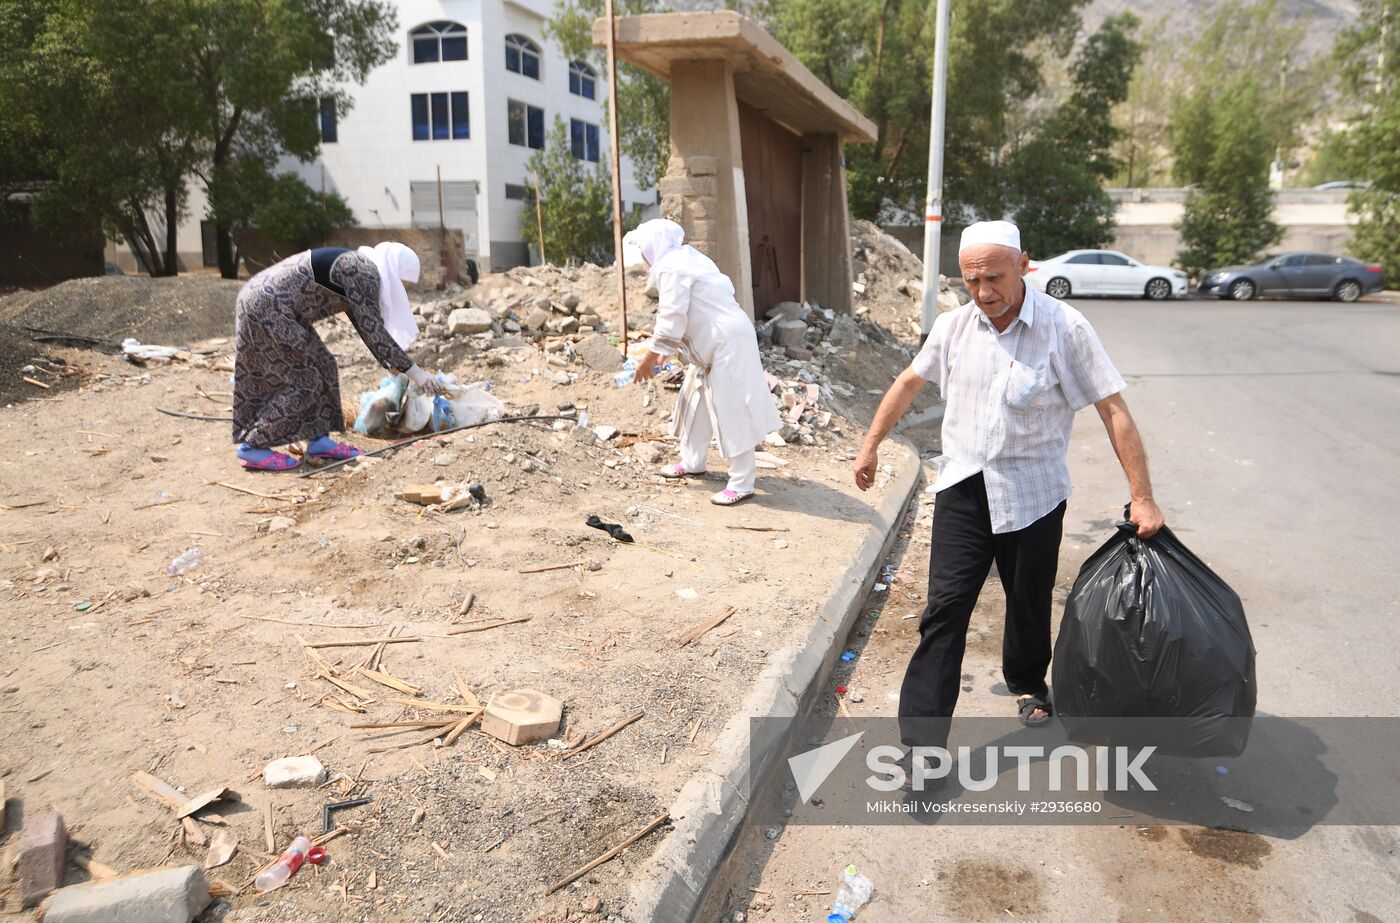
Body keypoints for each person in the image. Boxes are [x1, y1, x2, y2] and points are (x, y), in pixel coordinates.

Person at [853, 220, 1165, 763]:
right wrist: (871, 444)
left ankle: (1026, 681)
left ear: (1024, 266)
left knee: (1028, 599)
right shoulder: (954, 327)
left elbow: (1112, 409)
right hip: (963, 488)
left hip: (1034, 494)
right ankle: (922, 748)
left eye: (994, 278)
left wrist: (1142, 495)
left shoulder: (1064, 328)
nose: (983, 292)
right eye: (972, 281)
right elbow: (909, 381)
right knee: (944, 611)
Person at [232, 242, 446, 471]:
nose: (403, 289)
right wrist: (417, 373)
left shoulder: (359, 268)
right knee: (305, 381)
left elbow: (364, 323)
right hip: (268, 308)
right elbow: (373, 329)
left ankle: (318, 440)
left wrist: (390, 362)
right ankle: (253, 445)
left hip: (267, 303)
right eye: (404, 283)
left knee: (324, 365)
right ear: (395, 271)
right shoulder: (362, 271)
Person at [623, 219, 782, 505]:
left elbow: (672, 317)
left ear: (653, 246)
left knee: (732, 409)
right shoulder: (686, 258)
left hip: (727, 342)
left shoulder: (671, 267)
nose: (643, 256)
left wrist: (649, 360)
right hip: (715, 343)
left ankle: (742, 482)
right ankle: (693, 461)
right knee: (694, 401)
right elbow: (688, 312)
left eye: (643, 248)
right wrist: (662, 352)